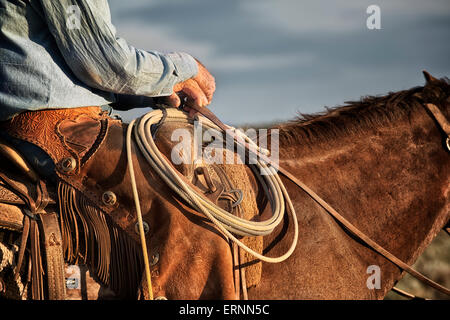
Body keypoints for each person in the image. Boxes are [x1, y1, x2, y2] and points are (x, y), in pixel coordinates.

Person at [0, 0, 216, 121]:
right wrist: (188, 68)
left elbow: (79, 69)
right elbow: (106, 67)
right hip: (51, 123)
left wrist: (161, 90)